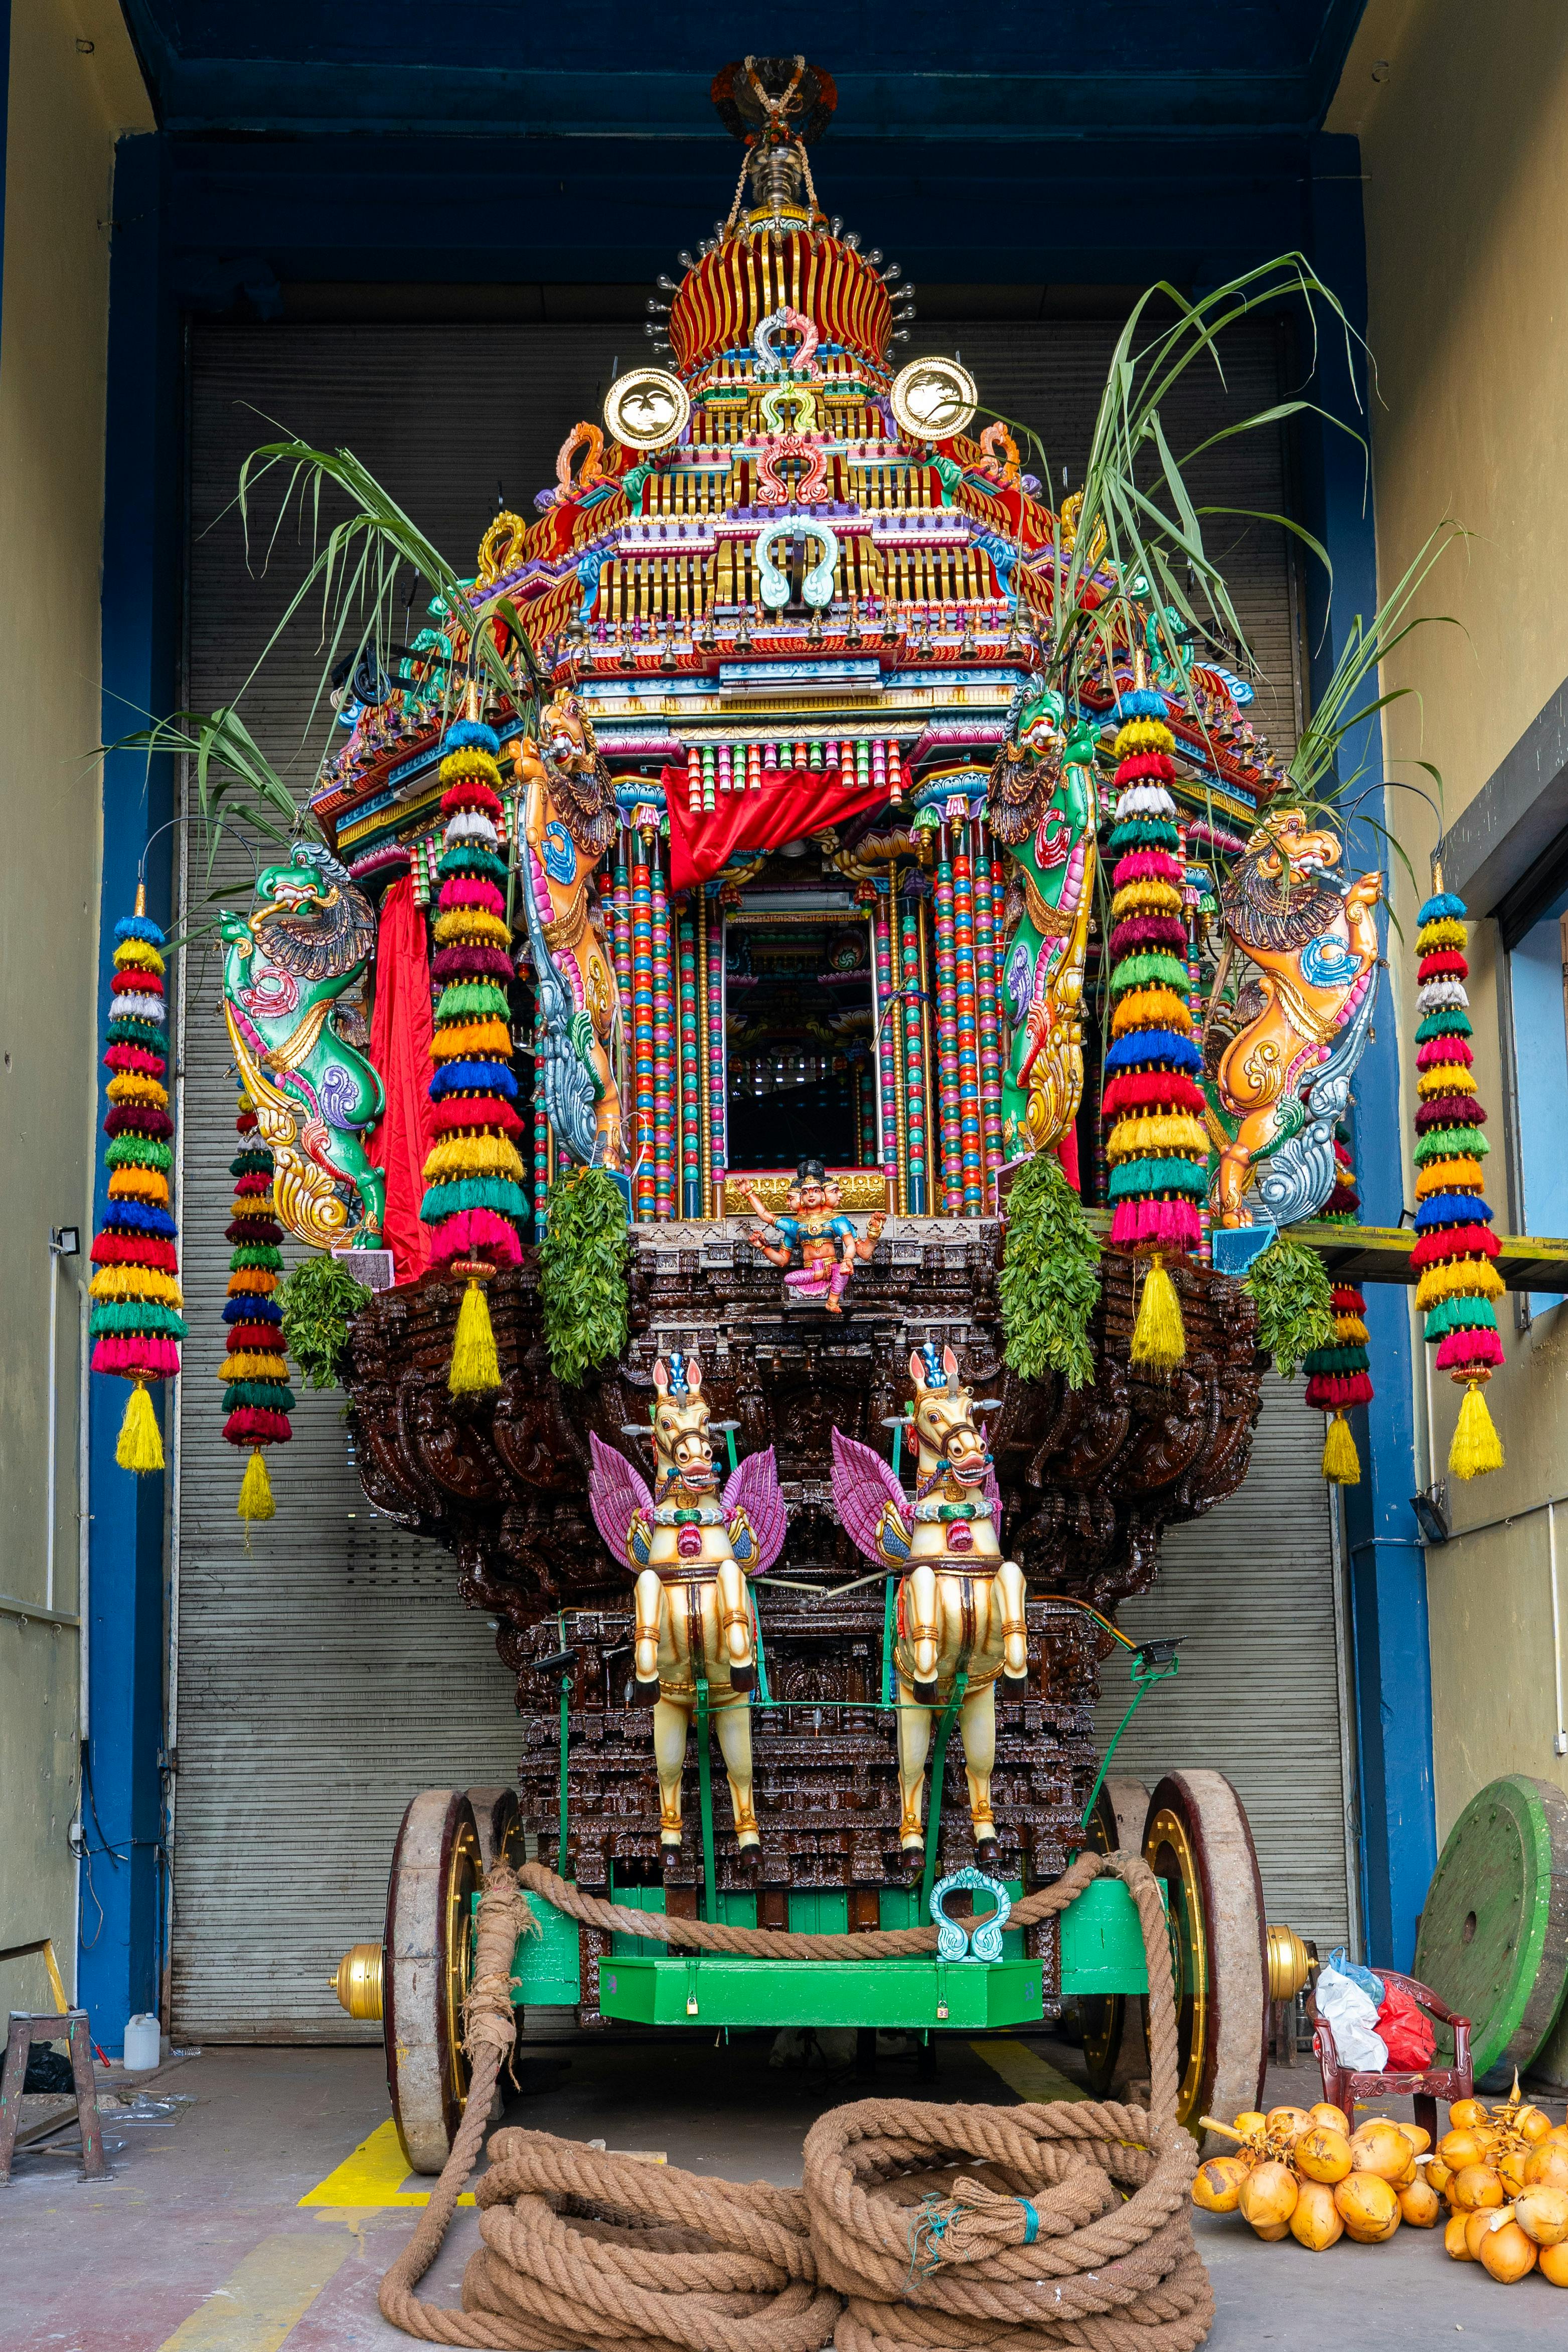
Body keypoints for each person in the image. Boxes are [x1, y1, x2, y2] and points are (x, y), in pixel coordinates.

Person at [742, 1157, 885, 1312]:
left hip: (834, 1268)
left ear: (822, 1195)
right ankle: (826, 1276)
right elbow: (781, 1257)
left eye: (816, 1190)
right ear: (802, 1198)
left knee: (842, 1272)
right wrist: (764, 1247)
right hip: (812, 1272)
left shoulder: (836, 1219)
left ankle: (832, 1301)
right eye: (806, 1192)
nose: (811, 1195)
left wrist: (871, 1235)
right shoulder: (796, 1224)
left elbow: (858, 1249)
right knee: (788, 1279)